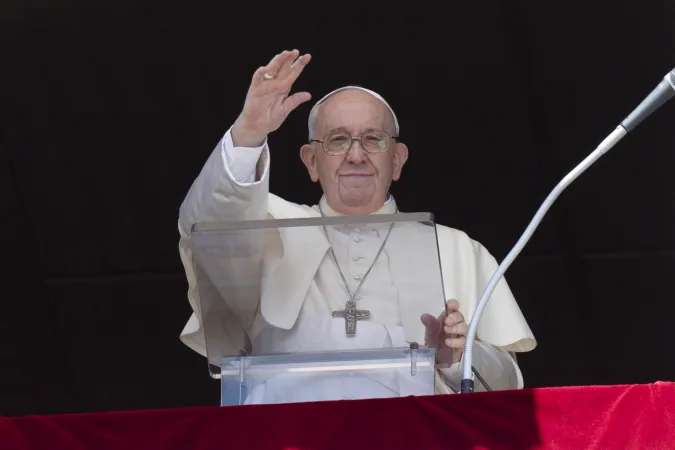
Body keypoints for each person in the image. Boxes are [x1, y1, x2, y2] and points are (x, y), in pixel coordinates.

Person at [177, 49, 536, 401]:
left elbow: (507, 385)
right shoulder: (267, 228)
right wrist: (249, 133)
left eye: (373, 139)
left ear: (396, 161)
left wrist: (455, 359)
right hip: (285, 432)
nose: (356, 154)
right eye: (337, 140)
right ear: (311, 162)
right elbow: (205, 232)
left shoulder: (456, 249)